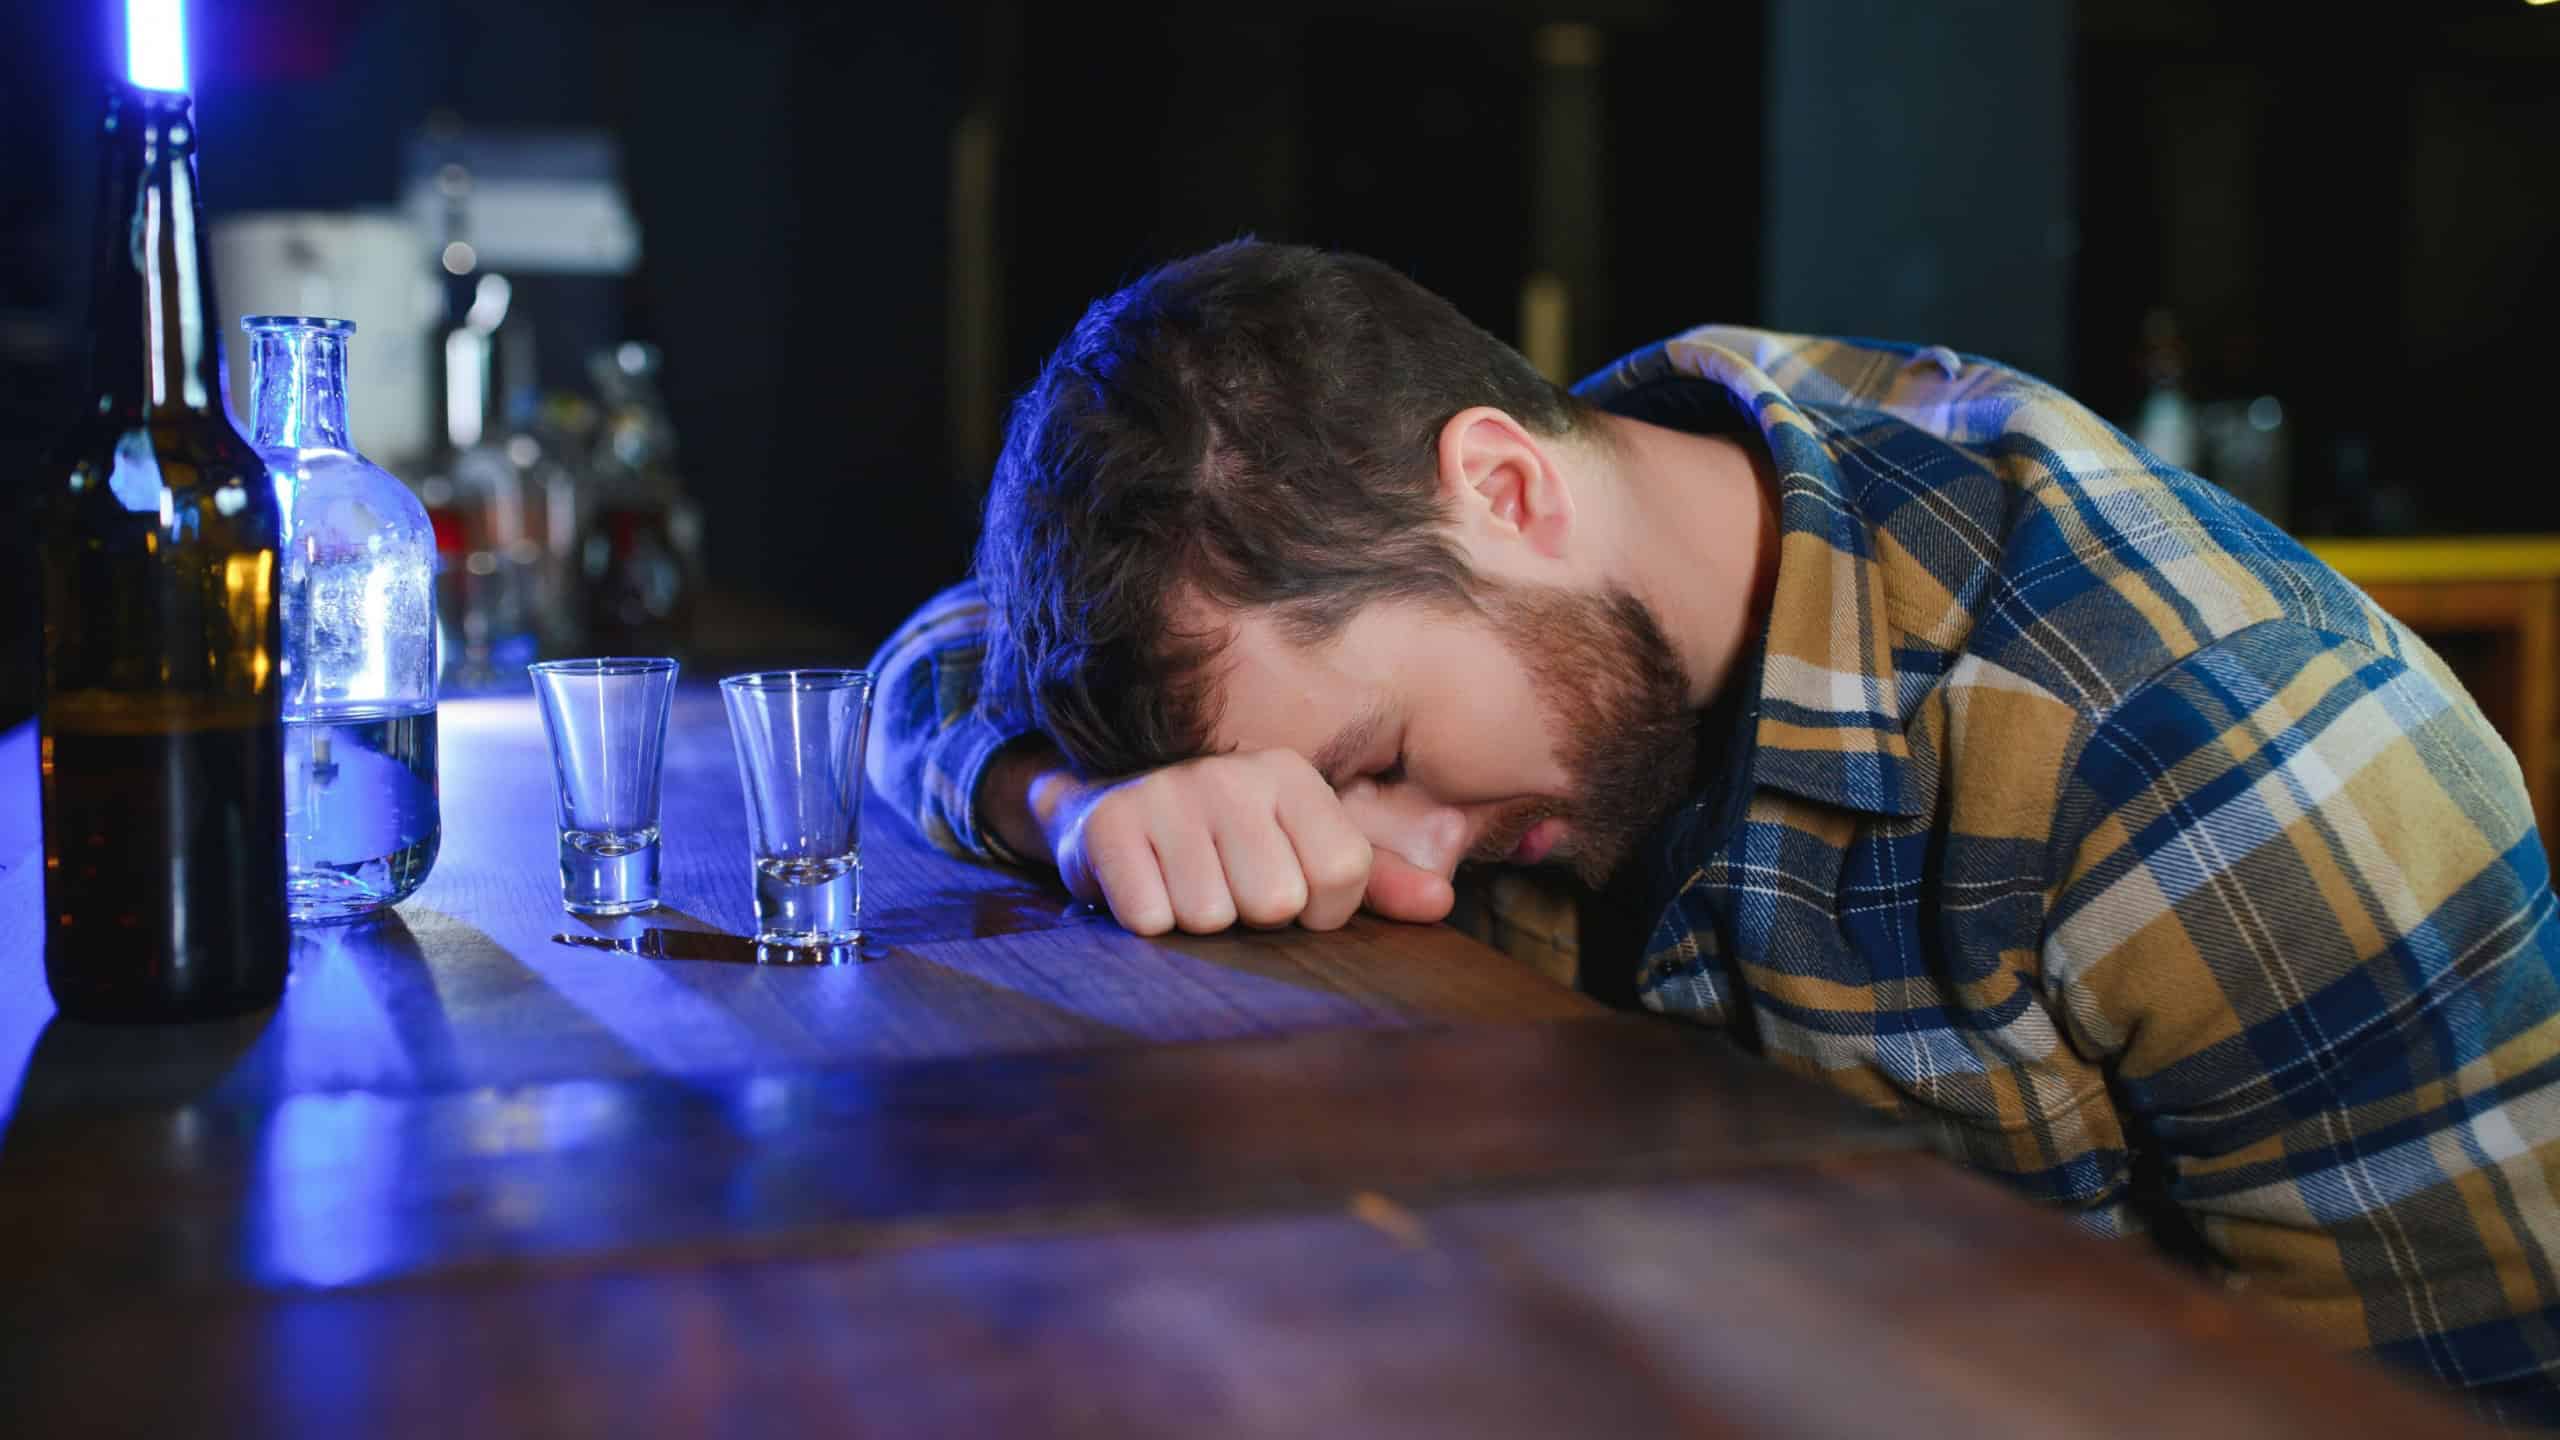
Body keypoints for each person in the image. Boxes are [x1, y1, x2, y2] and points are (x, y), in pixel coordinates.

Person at [867, 240, 2560, 1424]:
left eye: (1381, 759)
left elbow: (2469, 1395)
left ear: (1507, 488)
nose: (1405, 871)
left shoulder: (2204, 741)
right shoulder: (1556, 496)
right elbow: (931, 654)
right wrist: (1069, 800)